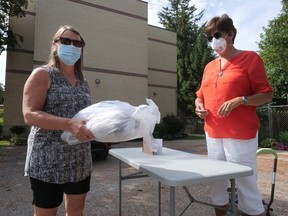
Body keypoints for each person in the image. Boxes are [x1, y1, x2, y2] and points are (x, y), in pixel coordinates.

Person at [195, 14, 272, 216]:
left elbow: (267, 94)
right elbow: (200, 96)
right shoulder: (209, 67)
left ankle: (253, 212)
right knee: (217, 181)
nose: (213, 40)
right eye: (209, 37)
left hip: (240, 134)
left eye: (217, 35)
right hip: (212, 132)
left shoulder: (250, 59)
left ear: (230, 34)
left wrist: (242, 100)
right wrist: (199, 106)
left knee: (245, 182)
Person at [22, 25, 95, 216]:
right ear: (54, 45)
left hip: (79, 159)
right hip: (47, 161)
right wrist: (68, 124)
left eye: (77, 43)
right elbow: (29, 114)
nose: (72, 46)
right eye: (66, 41)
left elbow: (85, 115)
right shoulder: (43, 74)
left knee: (76, 211)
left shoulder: (83, 82)